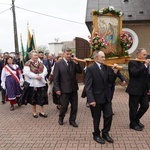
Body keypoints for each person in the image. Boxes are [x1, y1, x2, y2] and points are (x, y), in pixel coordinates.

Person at [84, 50, 119, 144]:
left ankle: (105, 133)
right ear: (96, 58)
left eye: (104, 57)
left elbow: (110, 80)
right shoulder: (90, 68)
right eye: (102, 57)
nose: (104, 59)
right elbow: (88, 86)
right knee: (97, 117)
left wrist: (115, 72)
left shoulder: (106, 67)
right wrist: (91, 99)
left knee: (109, 115)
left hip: (106, 97)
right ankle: (96, 134)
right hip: (96, 98)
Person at [53, 47, 82, 127]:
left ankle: (72, 120)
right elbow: (56, 78)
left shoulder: (73, 63)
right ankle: (61, 118)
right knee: (64, 106)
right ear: (63, 54)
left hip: (73, 88)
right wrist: (57, 89)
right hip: (64, 89)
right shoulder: (58, 64)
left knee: (74, 106)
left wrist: (77, 63)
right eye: (67, 54)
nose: (69, 55)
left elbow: (80, 71)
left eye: (70, 54)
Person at [126, 48, 150, 131]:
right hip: (134, 89)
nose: (145, 56)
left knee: (145, 105)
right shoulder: (132, 62)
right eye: (144, 54)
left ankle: (135, 119)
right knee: (133, 107)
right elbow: (134, 73)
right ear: (138, 54)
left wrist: (148, 88)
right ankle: (132, 124)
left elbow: (146, 77)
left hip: (143, 89)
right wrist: (145, 66)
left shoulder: (143, 63)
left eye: (146, 54)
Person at [23, 50, 48, 118]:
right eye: (35, 55)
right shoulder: (28, 63)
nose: (36, 56)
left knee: (42, 98)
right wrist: (36, 76)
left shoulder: (40, 63)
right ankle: (34, 112)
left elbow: (45, 71)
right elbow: (27, 73)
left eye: (37, 55)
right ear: (31, 56)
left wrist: (41, 75)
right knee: (33, 98)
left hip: (41, 83)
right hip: (33, 84)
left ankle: (41, 112)